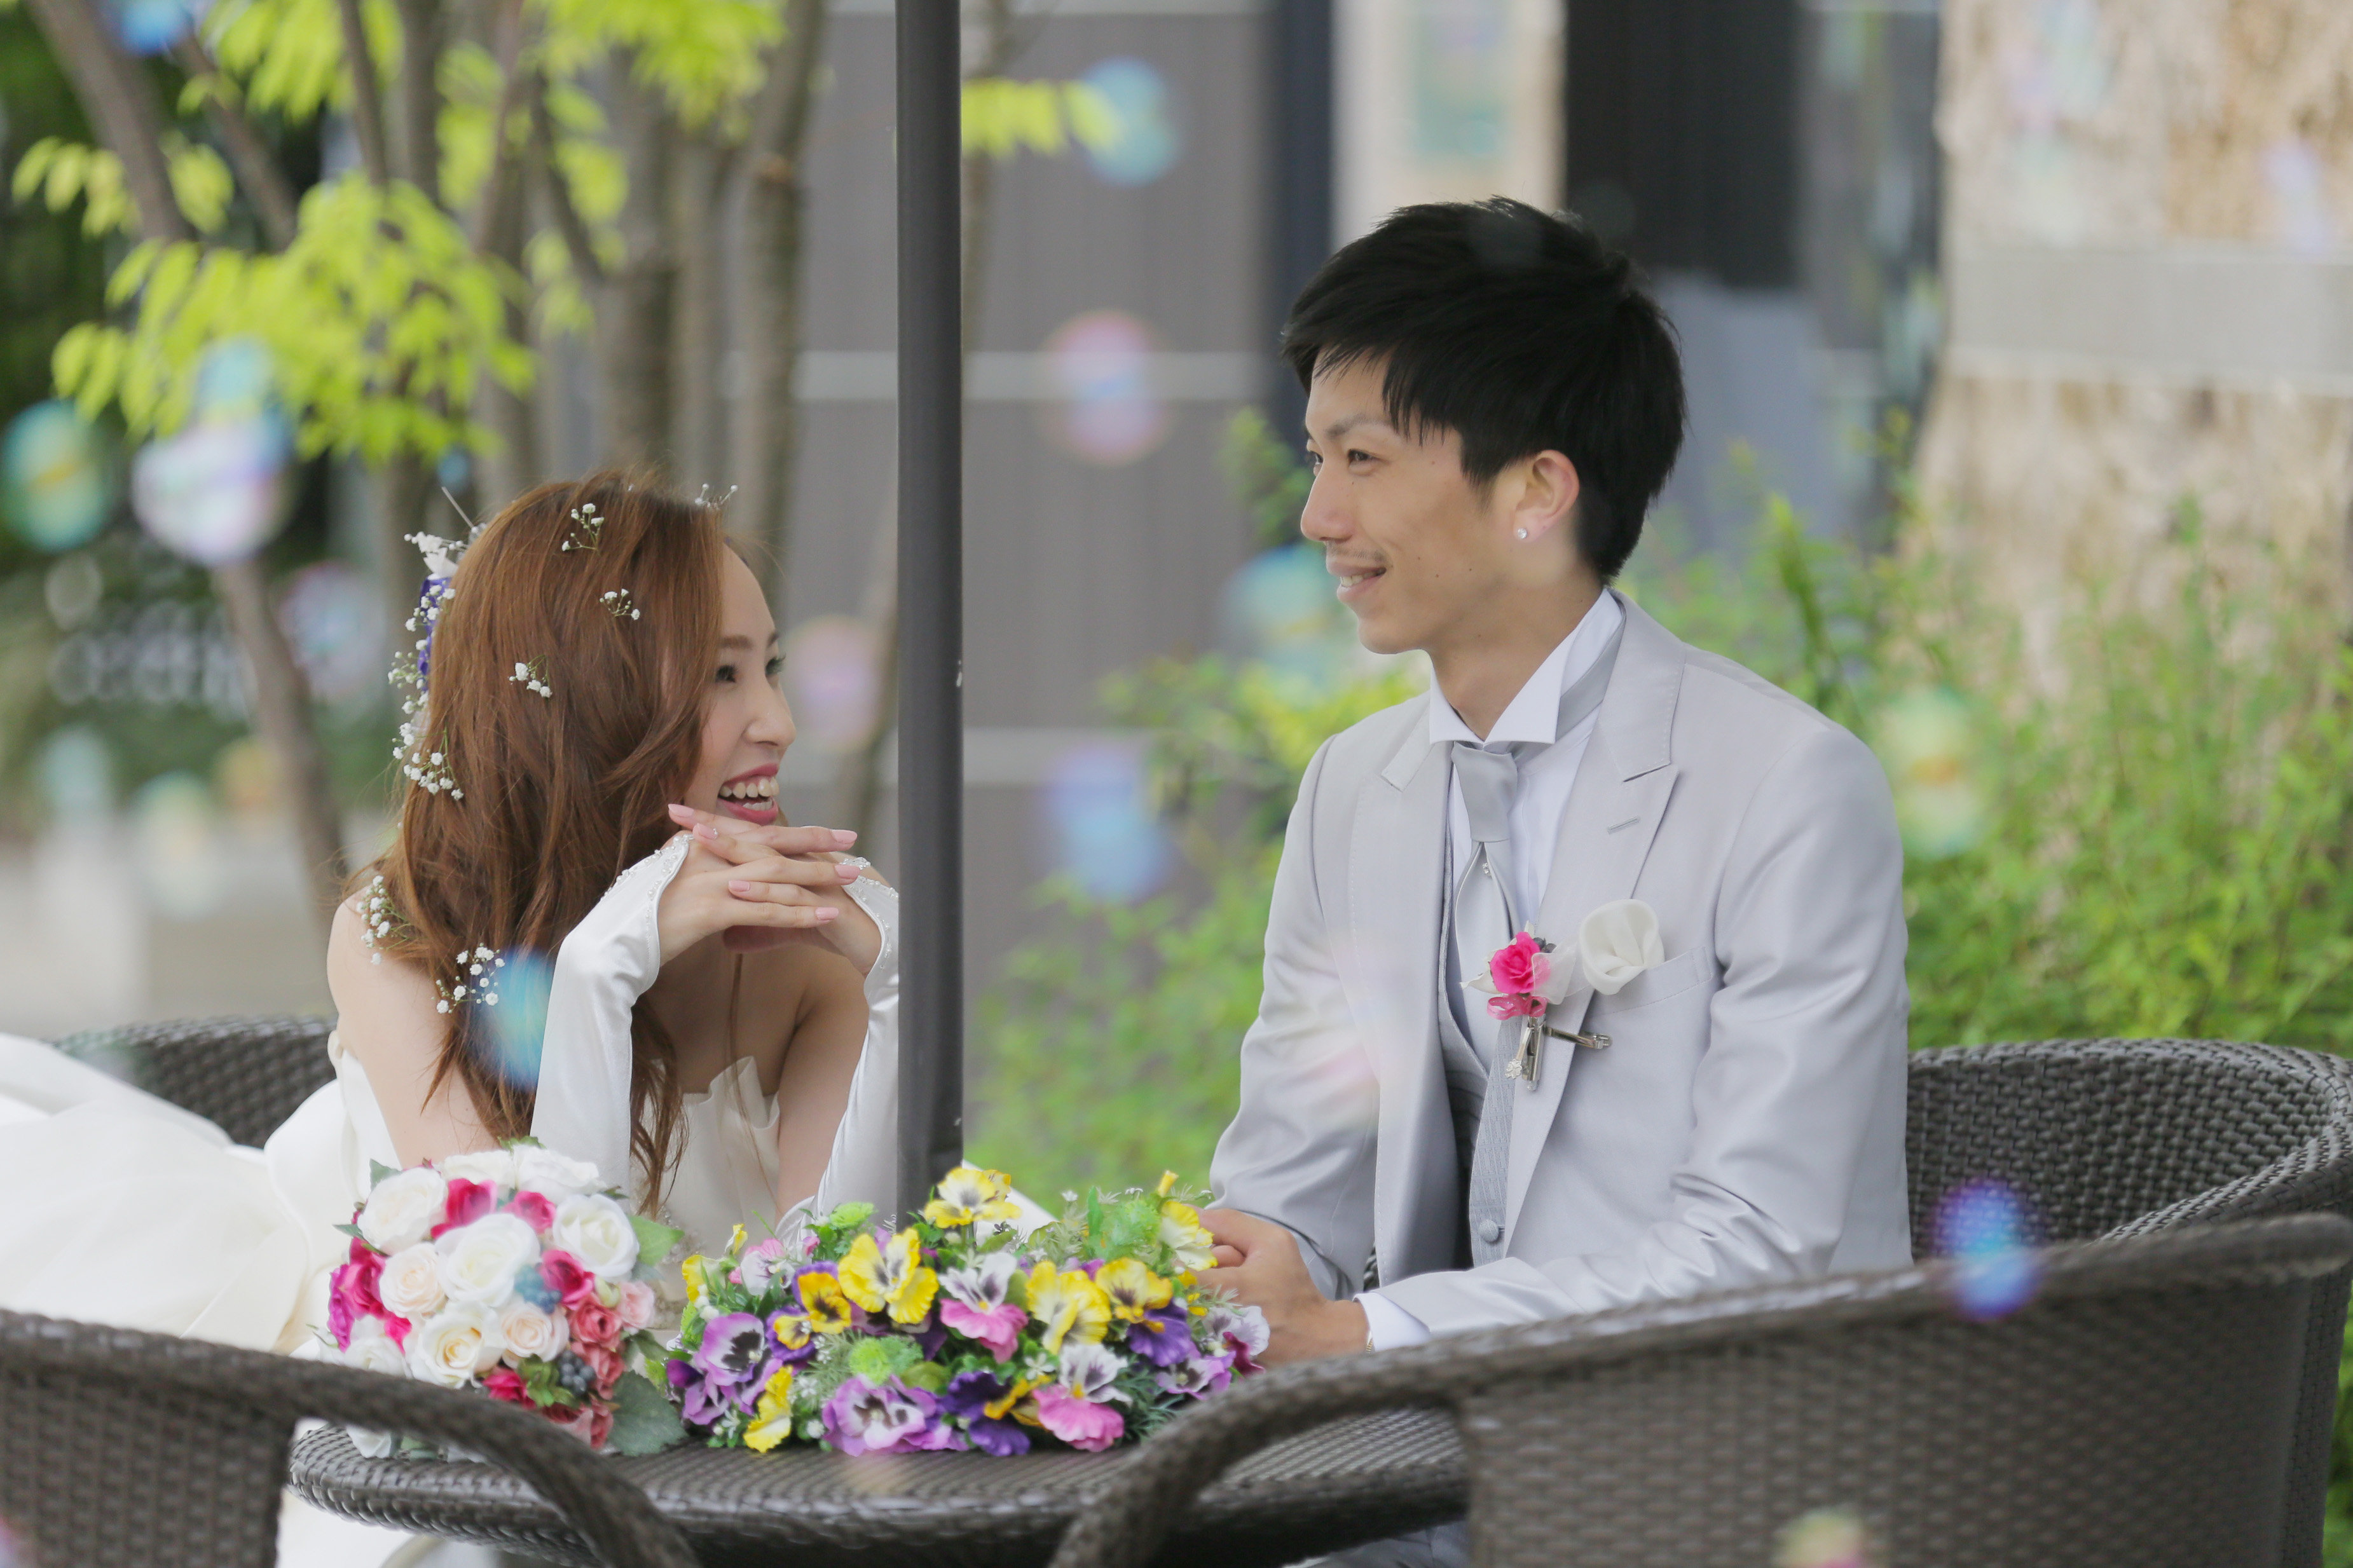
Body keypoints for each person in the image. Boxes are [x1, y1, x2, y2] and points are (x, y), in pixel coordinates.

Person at [0, 472, 901, 1562]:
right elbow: (536, 1312)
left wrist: (893, 994)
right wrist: (598, 978)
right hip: (406, 1387)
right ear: (588, 698)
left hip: (689, 1451)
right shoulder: (401, 935)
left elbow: (834, 1314)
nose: (779, 723)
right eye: (721, 674)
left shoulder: (801, 959)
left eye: (771, 667)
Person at [1199, 199, 1911, 1395]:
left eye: (1362, 459)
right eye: (1317, 458)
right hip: (1421, 1449)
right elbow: (1290, 1193)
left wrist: (1366, 1335)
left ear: (1535, 493)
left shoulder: (1788, 787)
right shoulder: (1350, 790)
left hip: (1740, 1442)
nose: (1319, 517)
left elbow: (1755, 1247)